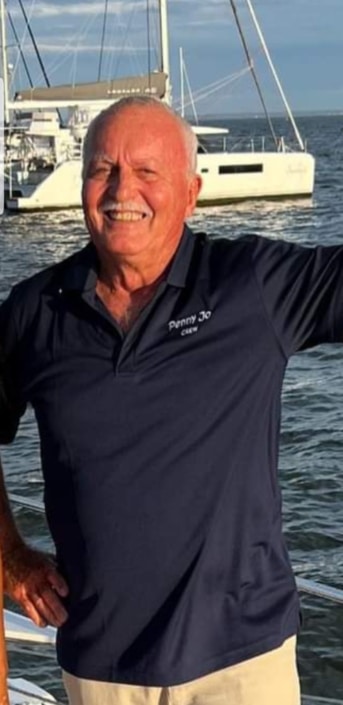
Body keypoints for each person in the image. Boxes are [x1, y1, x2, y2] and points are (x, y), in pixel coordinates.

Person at [0, 95, 342, 705]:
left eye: (147, 172)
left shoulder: (250, 285)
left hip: (243, 664)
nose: (121, 189)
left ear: (191, 191)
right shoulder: (35, 312)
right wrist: (9, 553)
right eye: (103, 169)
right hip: (101, 668)